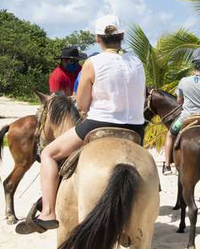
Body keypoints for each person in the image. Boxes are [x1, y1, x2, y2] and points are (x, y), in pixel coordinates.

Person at [16, 15, 146, 235]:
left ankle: (48, 213)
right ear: (122, 36)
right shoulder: (137, 61)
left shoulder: (92, 63)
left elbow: (83, 104)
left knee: (48, 153)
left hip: (99, 123)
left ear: (98, 39)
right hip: (136, 128)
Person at [163, 56, 200, 171]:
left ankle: (167, 164)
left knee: (170, 135)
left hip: (186, 118)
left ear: (195, 70)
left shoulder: (183, 81)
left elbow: (179, 101)